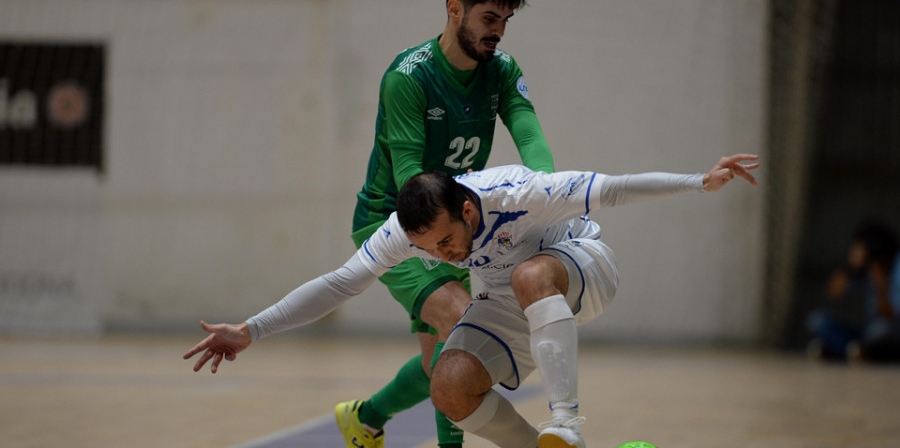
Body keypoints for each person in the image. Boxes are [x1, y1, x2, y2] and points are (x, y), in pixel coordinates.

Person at [183, 153, 759, 448]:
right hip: (509, 295)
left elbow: (612, 188)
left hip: (582, 268)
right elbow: (339, 283)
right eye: (429, 249)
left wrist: (697, 182)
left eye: (448, 241)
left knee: (532, 273)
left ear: (465, 208)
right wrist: (250, 330)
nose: (446, 255)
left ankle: (567, 421)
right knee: (449, 382)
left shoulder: (518, 192)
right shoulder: (407, 233)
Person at [342, 0, 554, 448]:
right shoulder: (408, 77)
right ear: (455, 9)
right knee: (462, 323)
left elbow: (529, 132)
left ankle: (365, 418)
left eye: (505, 20)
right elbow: (412, 181)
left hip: (452, 225)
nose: (498, 30)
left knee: (435, 359)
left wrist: (549, 189)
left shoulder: (500, 69)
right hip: (397, 221)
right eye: (488, 17)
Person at [806, 221, 900, 362]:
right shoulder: (866, 268)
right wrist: (850, 267)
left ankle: (840, 350)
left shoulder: (896, 268)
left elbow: (890, 316)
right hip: (864, 330)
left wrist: (881, 288)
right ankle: (857, 351)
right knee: (818, 320)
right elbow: (833, 292)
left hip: (888, 330)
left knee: (880, 330)